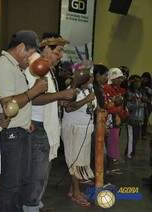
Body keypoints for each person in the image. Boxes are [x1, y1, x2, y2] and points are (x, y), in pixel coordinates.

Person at [0, 30, 48, 212]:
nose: (31, 60)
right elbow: (8, 104)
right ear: (21, 48)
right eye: (31, 54)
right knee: (10, 187)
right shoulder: (4, 66)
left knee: (20, 184)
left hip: (19, 132)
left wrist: (26, 121)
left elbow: (17, 102)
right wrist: (34, 91)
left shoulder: (14, 67)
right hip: (11, 136)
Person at [23, 33, 76, 211]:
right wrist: (60, 95)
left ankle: (35, 204)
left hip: (46, 127)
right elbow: (31, 98)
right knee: (36, 176)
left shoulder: (47, 66)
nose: (60, 55)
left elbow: (45, 97)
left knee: (42, 175)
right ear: (46, 48)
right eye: (58, 51)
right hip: (37, 127)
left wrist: (59, 100)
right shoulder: (34, 64)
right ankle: (31, 206)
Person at [62, 67, 96, 207]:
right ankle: (76, 192)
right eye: (90, 76)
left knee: (80, 161)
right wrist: (86, 100)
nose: (92, 79)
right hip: (73, 130)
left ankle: (73, 190)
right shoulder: (73, 89)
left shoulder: (89, 89)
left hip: (85, 130)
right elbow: (68, 107)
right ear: (82, 79)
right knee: (74, 161)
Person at [104, 68, 128, 174]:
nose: (120, 80)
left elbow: (121, 106)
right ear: (112, 78)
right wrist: (118, 108)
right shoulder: (106, 89)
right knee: (108, 144)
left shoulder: (120, 90)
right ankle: (108, 168)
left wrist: (123, 112)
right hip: (108, 121)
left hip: (116, 121)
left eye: (121, 78)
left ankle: (110, 167)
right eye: (117, 78)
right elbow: (106, 107)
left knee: (113, 143)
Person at [125, 75, 145, 159]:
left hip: (139, 119)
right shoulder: (129, 93)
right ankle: (129, 154)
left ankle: (130, 152)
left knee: (136, 138)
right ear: (132, 83)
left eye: (140, 82)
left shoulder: (139, 93)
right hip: (131, 119)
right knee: (131, 138)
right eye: (137, 82)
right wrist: (139, 104)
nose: (138, 84)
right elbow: (128, 106)